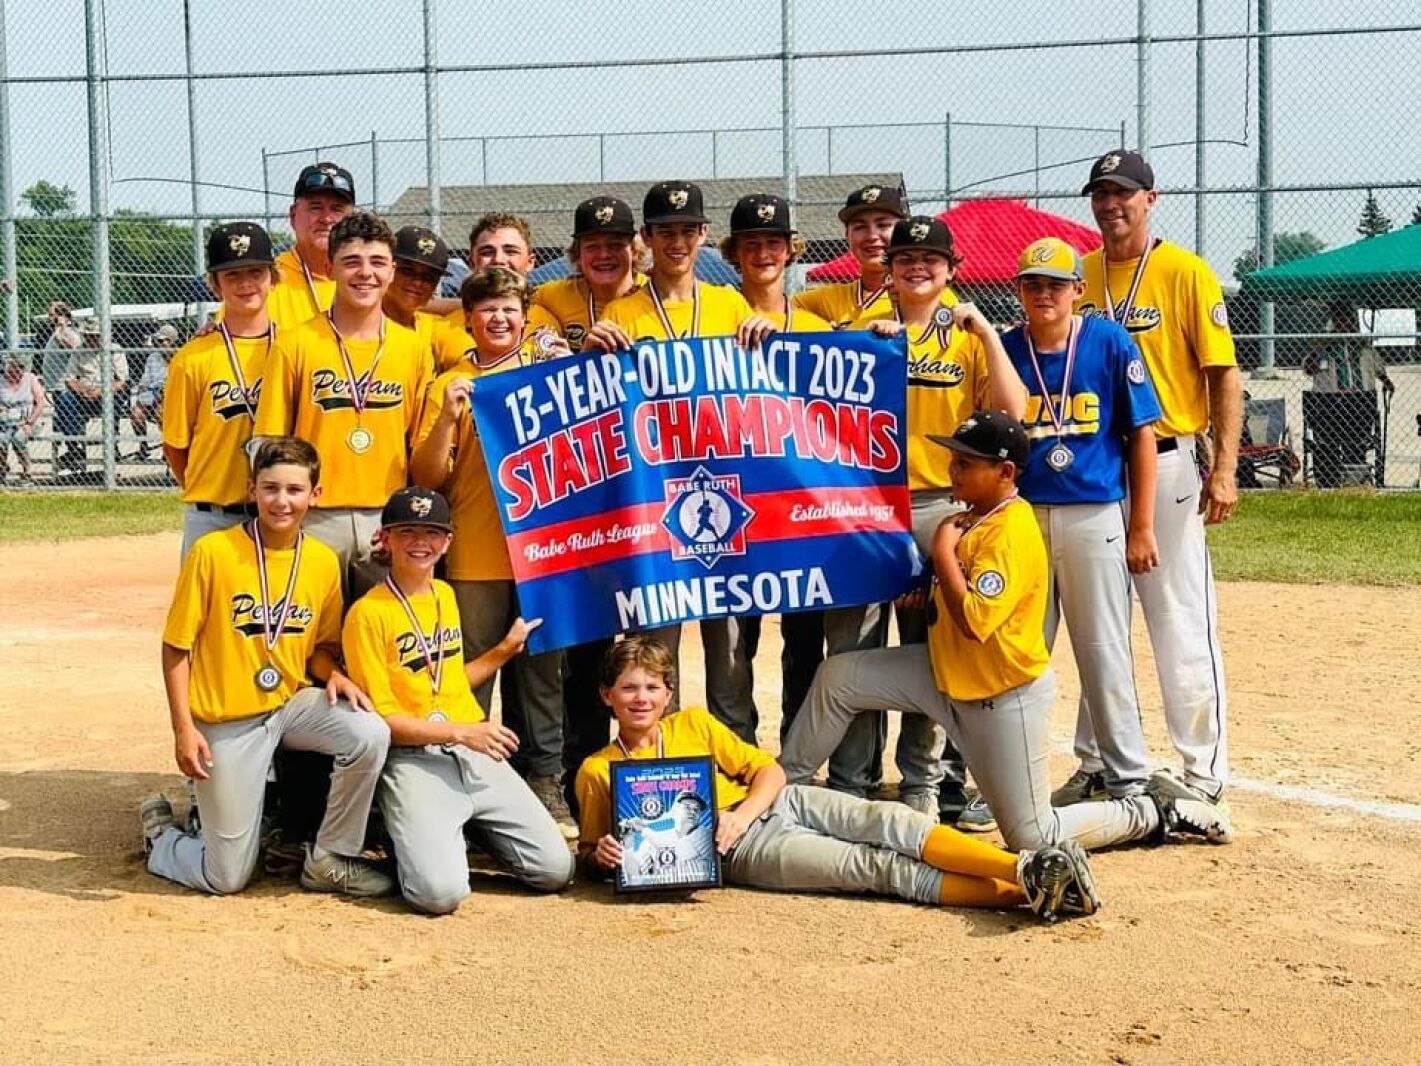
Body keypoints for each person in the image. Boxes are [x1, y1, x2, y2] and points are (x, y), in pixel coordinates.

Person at [780, 412, 1233, 853]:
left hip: (1000, 701)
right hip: (943, 677)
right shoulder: (971, 517)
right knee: (838, 679)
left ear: (1006, 471)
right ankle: (782, 789)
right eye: (954, 459)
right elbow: (957, 588)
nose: (951, 470)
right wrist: (928, 588)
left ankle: (1149, 811)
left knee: (1032, 835)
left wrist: (941, 554)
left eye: (965, 463)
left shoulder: (1011, 530)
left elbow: (976, 619)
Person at [576, 637, 1099, 923]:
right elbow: (592, 853)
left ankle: (1025, 867)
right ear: (607, 696)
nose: (640, 698)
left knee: (891, 819)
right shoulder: (598, 769)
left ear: (668, 693)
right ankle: (1031, 895)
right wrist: (603, 856)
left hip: (771, 809)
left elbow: (770, 770)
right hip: (740, 854)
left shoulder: (693, 724)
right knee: (876, 868)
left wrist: (740, 814)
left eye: (651, 686)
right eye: (628, 688)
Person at [138, 436, 393, 898]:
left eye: (295, 490)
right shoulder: (214, 553)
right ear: (251, 490)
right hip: (227, 719)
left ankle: (330, 857)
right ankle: (162, 836)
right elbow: (176, 647)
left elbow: (320, 645)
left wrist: (333, 673)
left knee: (370, 732)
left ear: (315, 495)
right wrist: (183, 728)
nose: (282, 501)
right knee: (227, 877)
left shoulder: (319, 561)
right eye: (271, 488)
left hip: (288, 704)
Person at [842, 216, 1027, 829]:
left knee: (933, 647)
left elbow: (1012, 412)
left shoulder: (968, 335)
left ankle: (923, 781)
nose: (916, 267)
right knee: (859, 642)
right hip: (869, 504)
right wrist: (865, 346)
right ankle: (855, 778)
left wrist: (989, 335)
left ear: (952, 269)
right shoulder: (865, 330)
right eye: (904, 258)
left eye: (930, 258)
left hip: (938, 504)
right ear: (888, 270)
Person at [1071, 150, 1241, 814]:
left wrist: (1223, 469)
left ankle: (1202, 774)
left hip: (1167, 460)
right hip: (1093, 464)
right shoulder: (1078, 274)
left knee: (1176, 620)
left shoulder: (1184, 273)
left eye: (1122, 193)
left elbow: (1223, 374)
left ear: (1149, 199)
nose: (1110, 204)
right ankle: (1098, 761)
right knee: (1097, 619)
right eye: (1099, 194)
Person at [582, 180, 775, 744]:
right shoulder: (623, 311)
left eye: (687, 231)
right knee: (654, 649)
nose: (677, 242)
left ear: (704, 236)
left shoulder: (729, 304)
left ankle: (731, 760)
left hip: (726, 499)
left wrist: (764, 334)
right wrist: (592, 354)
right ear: (646, 238)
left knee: (732, 651)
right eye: (665, 231)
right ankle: (657, 764)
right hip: (656, 504)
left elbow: (761, 394)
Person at [341, 486, 574, 915]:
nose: (419, 542)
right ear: (385, 538)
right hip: (413, 758)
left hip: (469, 752)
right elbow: (382, 721)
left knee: (555, 870)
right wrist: (461, 731)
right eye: (406, 531)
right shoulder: (367, 615)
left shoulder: (445, 596)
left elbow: (446, 683)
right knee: (438, 896)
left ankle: (469, 827)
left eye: (431, 532)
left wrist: (504, 650)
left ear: (448, 541)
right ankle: (405, 834)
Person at [409, 266, 577, 837]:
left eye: (508, 307)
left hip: (543, 551)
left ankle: (543, 778)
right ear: (469, 318)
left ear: (524, 314)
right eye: (486, 309)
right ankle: (468, 775)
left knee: (541, 673)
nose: (498, 318)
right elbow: (426, 478)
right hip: (477, 550)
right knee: (470, 669)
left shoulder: (547, 370)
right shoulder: (449, 383)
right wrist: (450, 418)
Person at [1002, 238, 1165, 805]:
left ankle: (1126, 776)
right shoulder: (1007, 348)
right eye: (1032, 283)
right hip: (1023, 517)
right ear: (1018, 289)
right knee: (1020, 648)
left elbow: (1142, 435)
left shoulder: (1108, 341)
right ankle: (1009, 779)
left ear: (1078, 289)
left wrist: (1141, 525)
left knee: (1103, 648)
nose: (1043, 293)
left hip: (1095, 512)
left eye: (1055, 283)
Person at [530, 195, 650, 801]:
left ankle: (641, 766)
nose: (604, 253)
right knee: (579, 644)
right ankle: (581, 772)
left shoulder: (656, 300)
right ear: (577, 252)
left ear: (635, 249)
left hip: (645, 494)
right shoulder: (552, 300)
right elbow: (538, 355)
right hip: (575, 496)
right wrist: (580, 353)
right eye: (592, 245)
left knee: (637, 644)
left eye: (616, 244)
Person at [254, 211, 433, 602]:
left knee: (381, 641)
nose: (365, 273)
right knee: (309, 638)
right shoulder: (296, 343)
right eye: (351, 261)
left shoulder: (413, 348)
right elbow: (270, 443)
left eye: (377, 262)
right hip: (315, 515)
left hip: (385, 515)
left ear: (392, 271)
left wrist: (406, 522)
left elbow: (419, 447)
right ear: (330, 268)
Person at [163, 223, 279, 557]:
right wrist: (210, 490)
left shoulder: (292, 348)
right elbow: (175, 446)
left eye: (255, 272)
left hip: (278, 516)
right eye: (231, 275)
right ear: (215, 285)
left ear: (272, 278)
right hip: (212, 516)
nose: (245, 284)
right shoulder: (192, 357)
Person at [793, 183, 957, 328]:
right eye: (860, 227)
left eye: (883, 225)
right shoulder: (829, 298)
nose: (872, 236)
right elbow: (778, 310)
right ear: (847, 235)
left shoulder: (934, 297)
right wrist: (824, 330)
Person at [268, 162, 357, 329]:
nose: (326, 219)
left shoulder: (369, 279)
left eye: (337, 209)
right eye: (315, 208)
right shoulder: (268, 281)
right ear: (293, 215)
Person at [383, 225, 473, 373]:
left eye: (428, 277)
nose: (417, 282)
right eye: (407, 271)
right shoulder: (356, 323)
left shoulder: (435, 329)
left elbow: (470, 360)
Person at [53, 317, 127, 480]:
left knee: (115, 399)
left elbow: (121, 381)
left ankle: (111, 442)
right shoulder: (79, 350)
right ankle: (75, 445)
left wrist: (101, 391)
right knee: (64, 400)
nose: (92, 339)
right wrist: (82, 390)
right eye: (89, 335)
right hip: (83, 393)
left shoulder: (115, 350)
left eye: (96, 335)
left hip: (107, 394)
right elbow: (69, 378)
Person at [128, 323, 177, 460]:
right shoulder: (152, 358)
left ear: (171, 341)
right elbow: (144, 382)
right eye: (157, 341)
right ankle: (143, 447)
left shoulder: (179, 358)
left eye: (162, 341)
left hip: (171, 396)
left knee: (161, 411)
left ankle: (168, 448)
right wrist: (142, 394)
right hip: (152, 394)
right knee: (136, 413)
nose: (158, 344)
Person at [0, 354, 45, 485]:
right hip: (4, 422)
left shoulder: (30, 379)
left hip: (27, 421)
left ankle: (27, 472)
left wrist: (29, 422)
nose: (16, 373)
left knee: (18, 438)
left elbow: (40, 402)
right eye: (12, 370)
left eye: (20, 369)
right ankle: (2, 469)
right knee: (1, 439)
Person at [41, 300, 82, 394]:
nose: (49, 318)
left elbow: (73, 349)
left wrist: (60, 327)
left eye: (51, 314)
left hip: (64, 387)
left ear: (61, 316)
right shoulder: (57, 333)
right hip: (54, 386)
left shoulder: (69, 333)